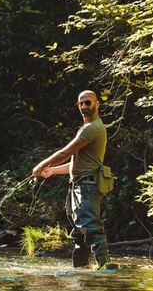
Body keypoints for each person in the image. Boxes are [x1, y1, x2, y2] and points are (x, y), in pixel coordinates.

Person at [32, 90, 110, 269]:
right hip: (80, 186)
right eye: (81, 103)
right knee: (79, 233)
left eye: (88, 103)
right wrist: (51, 171)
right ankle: (82, 271)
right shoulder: (87, 128)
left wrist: (42, 164)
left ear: (97, 104)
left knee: (91, 228)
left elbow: (66, 153)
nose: (84, 106)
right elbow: (75, 164)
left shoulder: (93, 128)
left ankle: (107, 270)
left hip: (87, 187)